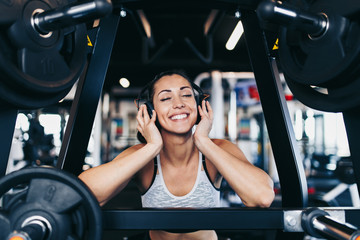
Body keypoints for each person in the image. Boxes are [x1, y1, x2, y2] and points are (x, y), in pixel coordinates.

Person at [78, 70, 275, 240]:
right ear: (149, 110)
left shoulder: (218, 149)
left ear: (198, 104)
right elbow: (83, 195)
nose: (179, 103)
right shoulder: (142, 156)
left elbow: (262, 197)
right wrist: (152, 146)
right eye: (165, 98)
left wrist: (204, 141)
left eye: (186, 95)